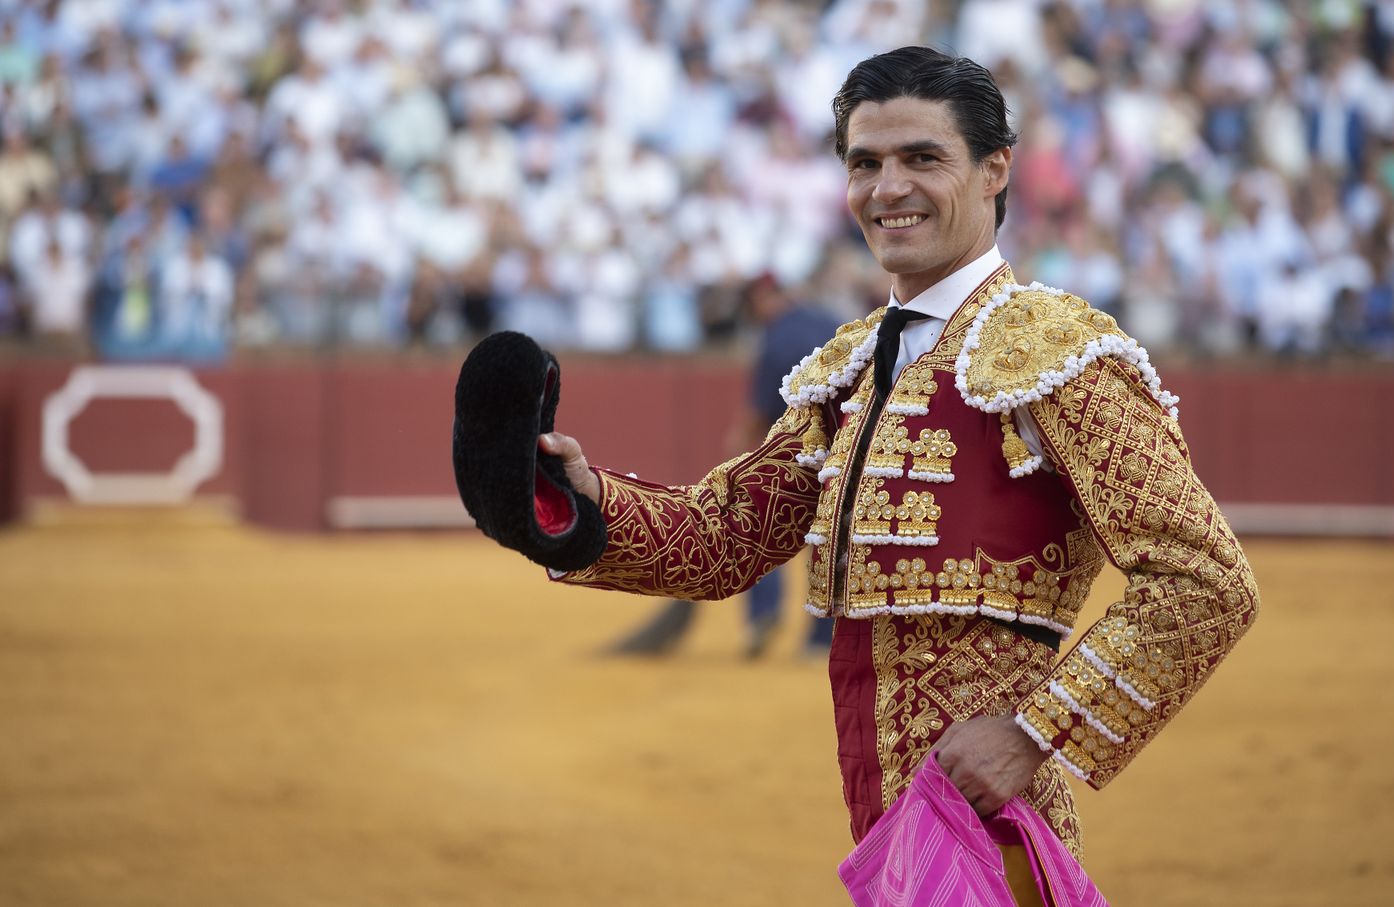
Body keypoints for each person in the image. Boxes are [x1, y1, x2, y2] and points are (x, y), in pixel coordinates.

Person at [509, 46, 1259, 871]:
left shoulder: (1057, 354)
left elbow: (1207, 578)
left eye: (922, 158)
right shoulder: (850, 369)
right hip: (883, 817)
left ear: (995, 170)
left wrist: (1033, 731)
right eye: (864, 163)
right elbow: (725, 537)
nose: (887, 188)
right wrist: (575, 500)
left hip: (991, 824)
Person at [607, 274, 842, 658]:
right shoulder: (829, 322)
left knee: (762, 523)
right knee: (829, 541)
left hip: (796, 455)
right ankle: (819, 638)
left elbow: (759, 412)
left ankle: (763, 613)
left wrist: (737, 453)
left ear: (761, 299)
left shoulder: (776, 340)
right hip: (847, 450)